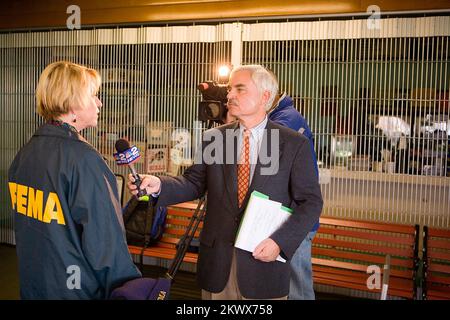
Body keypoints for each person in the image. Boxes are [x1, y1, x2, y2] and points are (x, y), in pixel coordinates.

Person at [128, 64, 323, 300]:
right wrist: (159, 185)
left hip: (264, 263)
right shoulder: (215, 138)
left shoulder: (293, 144)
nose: (229, 95)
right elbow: (194, 183)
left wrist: (279, 243)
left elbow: (310, 202)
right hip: (218, 264)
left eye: (240, 89)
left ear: (265, 96)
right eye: (230, 89)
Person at [8, 61, 141, 299]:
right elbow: (106, 245)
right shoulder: (84, 160)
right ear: (73, 104)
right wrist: (129, 290)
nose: (99, 102)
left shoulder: (25, 153)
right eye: (93, 95)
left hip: (36, 285)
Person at [268, 93, 320, 300]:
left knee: (297, 285)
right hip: (284, 217)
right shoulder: (284, 115)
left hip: (295, 218)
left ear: (267, 95)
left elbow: (266, 155)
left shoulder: (287, 118)